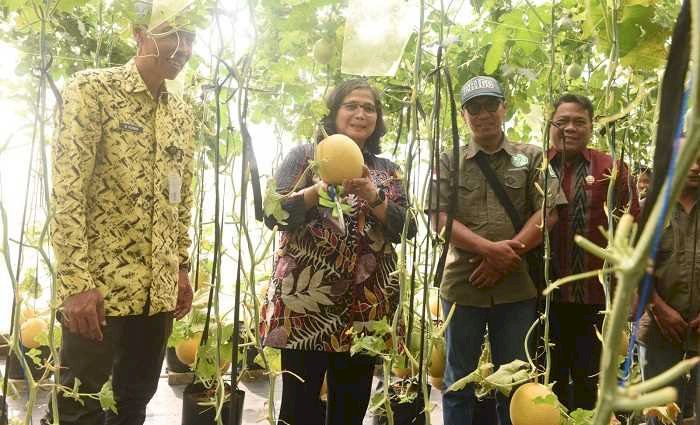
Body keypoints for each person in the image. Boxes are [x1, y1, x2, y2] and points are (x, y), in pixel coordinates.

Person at [46, 2, 196, 424]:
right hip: (99, 293)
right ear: (138, 33)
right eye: (171, 34)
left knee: (133, 403)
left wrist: (181, 268)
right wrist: (76, 284)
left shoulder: (182, 114)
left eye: (190, 38)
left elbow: (181, 199)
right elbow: (68, 190)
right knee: (79, 407)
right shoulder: (92, 90)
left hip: (157, 294)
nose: (182, 47)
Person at [260, 79, 417, 425]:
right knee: (299, 410)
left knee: (350, 408)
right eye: (351, 106)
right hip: (306, 307)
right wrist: (318, 189)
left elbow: (409, 228)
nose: (361, 114)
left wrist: (374, 197)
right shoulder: (304, 156)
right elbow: (272, 213)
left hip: (367, 307)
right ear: (334, 113)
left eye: (369, 108)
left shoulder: (387, 170)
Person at [428, 76, 566, 425]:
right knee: (457, 378)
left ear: (504, 108)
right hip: (462, 285)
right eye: (474, 107)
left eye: (491, 104)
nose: (484, 113)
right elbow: (439, 218)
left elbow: (549, 210)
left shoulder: (531, 156)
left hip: (516, 287)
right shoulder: (448, 160)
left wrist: (509, 255)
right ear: (463, 114)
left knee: (515, 379)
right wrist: (492, 250)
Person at [547, 94, 640, 411]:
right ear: (551, 125)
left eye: (579, 122)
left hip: (596, 299)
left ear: (591, 126)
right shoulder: (536, 166)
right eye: (562, 121)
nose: (569, 128)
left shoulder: (611, 170)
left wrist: (631, 291)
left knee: (591, 382)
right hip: (545, 299)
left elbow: (633, 229)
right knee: (548, 383)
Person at [638, 135, 698, 421]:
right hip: (660, 331)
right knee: (660, 415)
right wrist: (659, 308)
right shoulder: (649, 208)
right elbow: (634, 268)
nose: (696, 166)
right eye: (688, 157)